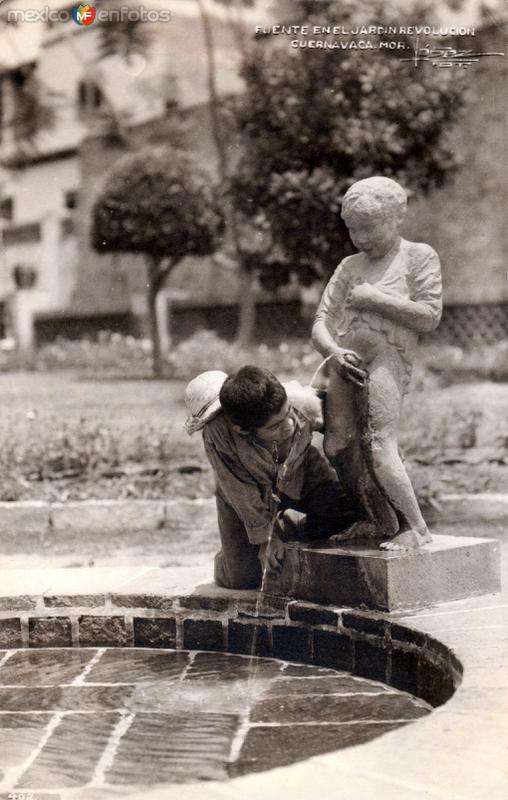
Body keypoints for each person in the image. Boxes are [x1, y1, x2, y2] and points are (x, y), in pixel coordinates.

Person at [312, 176, 442, 551]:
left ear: (395, 218)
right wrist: (332, 352)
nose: (360, 238)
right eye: (353, 229)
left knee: (379, 441)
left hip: (388, 354)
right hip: (345, 360)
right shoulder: (349, 265)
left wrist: (374, 300)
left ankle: (416, 529)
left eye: (368, 228)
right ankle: (375, 518)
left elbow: (429, 316)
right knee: (337, 445)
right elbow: (321, 321)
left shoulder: (418, 257)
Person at [185, 366, 360, 589]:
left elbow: (349, 435)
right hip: (242, 496)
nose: (289, 425)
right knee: (243, 578)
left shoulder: (296, 401)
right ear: (242, 429)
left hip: (300, 472)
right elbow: (240, 490)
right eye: (275, 426)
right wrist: (266, 538)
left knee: (345, 512)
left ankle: (289, 524)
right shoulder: (217, 433)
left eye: (288, 414)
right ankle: (231, 557)